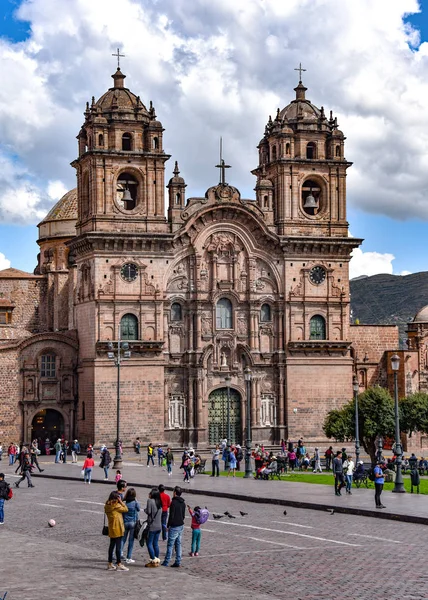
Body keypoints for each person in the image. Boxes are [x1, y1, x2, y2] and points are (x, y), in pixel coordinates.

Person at [104, 490, 129, 571]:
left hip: (112, 528)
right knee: (118, 547)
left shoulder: (107, 505)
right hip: (118, 528)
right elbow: (126, 509)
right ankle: (119, 564)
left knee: (111, 546)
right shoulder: (117, 506)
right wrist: (121, 502)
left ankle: (110, 563)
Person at [162, 486, 185, 568]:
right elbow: (183, 515)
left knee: (170, 545)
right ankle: (178, 561)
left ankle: (166, 561)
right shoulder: (183, 502)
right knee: (178, 544)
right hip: (181, 525)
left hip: (174, 525)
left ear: (175, 493)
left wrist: (168, 526)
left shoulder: (173, 503)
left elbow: (171, 516)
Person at [144, 487, 163, 567]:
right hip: (159, 526)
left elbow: (148, 511)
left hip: (152, 526)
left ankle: (153, 560)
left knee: (149, 543)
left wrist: (145, 510)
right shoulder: (159, 502)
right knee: (155, 543)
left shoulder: (150, 501)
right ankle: (157, 559)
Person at [121, 487, 140, 564]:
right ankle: (129, 557)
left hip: (125, 522)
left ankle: (119, 554)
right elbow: (138, 509)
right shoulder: (135, 503)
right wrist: (136, 500)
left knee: (123, 539)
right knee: (131, 541)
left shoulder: (125, 503)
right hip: (133, 523)